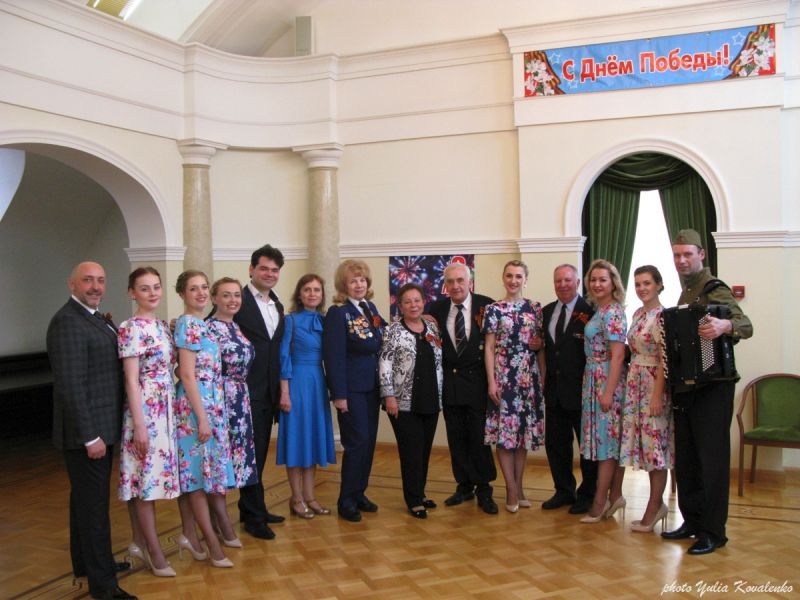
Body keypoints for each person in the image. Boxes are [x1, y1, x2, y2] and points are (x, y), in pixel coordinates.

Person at [47, 262, 137, 600]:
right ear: (72, 284)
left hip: (102, 427)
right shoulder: (67, 322)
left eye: (100, 280)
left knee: (83, 502)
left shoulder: (95, 318)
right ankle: (104, 586)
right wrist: (90, 436)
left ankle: (85, 563)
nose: (95, 286)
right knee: (95, 508)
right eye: (87, 280)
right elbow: (70, 386)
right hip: (88, 433)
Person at [662, 229, 752, 555]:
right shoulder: (686, 293)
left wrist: (725, 326)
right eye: (677, 255)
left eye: (687, 254)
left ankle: (714, 532)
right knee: (687, 459)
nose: (682, 260)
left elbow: (745, 325)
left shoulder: (715, 288)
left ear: (701, 254)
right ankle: (692, 521)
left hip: (714, 388)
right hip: (687, 389)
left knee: (711, 461)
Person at [117, 267, 179, 577]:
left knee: (144, 479)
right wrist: (140, 425)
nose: (152, 293)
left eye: (156, 286)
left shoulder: (163, 326)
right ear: (132, 293)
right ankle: (155, 552)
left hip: (165, 410)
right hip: (145, 413)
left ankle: (138, 543)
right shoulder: (130, 328)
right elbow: (131, 380)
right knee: (145, 482)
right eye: (145, 288)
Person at [174, 270, 234, 568]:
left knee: (202, 475)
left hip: (211, 404)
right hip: (195, 408)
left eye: (203, 287)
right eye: (193, 288)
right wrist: (202, 418)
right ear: (182, 294)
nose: (200, 293)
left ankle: (191, 535)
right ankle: (212, 543)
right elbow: (186, 374)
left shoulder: (201, 324)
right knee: (196, 477)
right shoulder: (187, 324)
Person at [428, 263, 498, 514]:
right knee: (456, 439)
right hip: (450, 385)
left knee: (479, 439)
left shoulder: (487, 306)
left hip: (478, 384)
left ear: (470, 282)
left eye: (460, 280)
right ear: (445, 285)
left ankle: (485, 489)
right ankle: (464, 486)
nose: (456, 286)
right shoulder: (435, 309)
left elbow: (497, 345)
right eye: (450, 281)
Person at [323, 259, 386, 522]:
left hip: (372, 388)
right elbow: (333, 356)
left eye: (362, 280)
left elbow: (384, 335)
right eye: (353, 281)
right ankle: (346, 500)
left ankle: (360, 493)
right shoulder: (338, 313)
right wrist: (339, 395)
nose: (359, 285)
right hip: (351, 391)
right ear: (344, 285)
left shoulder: (369, 308)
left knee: (368, 443)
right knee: (356, 443)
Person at [483, 260, 544, 513]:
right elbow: (489, 347)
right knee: (505, 435)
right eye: (509, 275)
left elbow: (540, 344)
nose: (513, 280)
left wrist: (542, 378)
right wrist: (491, 381)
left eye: (519, 276)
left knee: (521, 436)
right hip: (504, 376)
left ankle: (519, 487)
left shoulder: (535, 308)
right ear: (503, 278)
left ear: (525, 280)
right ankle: (509, 487)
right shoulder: (493, 309)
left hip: (528, 378)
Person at [234, 244, 286, 540]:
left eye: (274, 270)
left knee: (260, 452)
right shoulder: (237, 300)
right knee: (250, 455)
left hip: (269, 392)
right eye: (264, 268)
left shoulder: (277, 305)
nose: (269, 274)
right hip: (245, 391)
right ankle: (253, 517)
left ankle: (254, 507)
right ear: (251, 269)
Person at [380, 283, 443, 519]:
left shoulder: (432, 328)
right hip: (403, 402)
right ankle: (413, 500)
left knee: (424, 451)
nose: (413, 305)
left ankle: (420, 492)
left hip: (430, 399)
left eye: (417, 300)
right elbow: (384, 363)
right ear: (400, 305)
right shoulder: (392, 331)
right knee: (411, 452)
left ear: (423, 302)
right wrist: (389, 396)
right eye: (407, 301)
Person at [277, 274, 336, 518]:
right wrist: (285, 393)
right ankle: (296, 498)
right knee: (296, 441)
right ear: (299, 295)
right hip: (297, 384)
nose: (312, 294)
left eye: (316, 290)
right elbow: (283, 357)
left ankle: (310, 496)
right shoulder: (290, 320)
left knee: (312, 441)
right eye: (307, 289)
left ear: (322, 295)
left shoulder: (325, 320)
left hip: (317, 383)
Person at [540, 264, 598, 515]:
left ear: (577, 283)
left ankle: (588, 495)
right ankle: (563, 490)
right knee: (556, 445)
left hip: (582, 391)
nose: (562, 285)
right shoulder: (546, 312)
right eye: (558, 281)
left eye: (567, 280)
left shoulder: (592, 312)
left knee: (587, 447)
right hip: (554, 392)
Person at [619, 265, 673, 532]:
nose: (642, 288)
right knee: (645, 446)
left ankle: (655, 505)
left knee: (655, 447)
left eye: (647, 283)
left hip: (653, 383)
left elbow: (664, 360)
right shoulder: (638, 313)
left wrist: (657, 395)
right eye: (638, 284)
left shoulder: (663, 316)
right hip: (635, 381)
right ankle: (654, 504)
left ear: (659, 285)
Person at [206, 277, 258, 546]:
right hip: (219, 399)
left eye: (237, 295)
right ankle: (220, 523)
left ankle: (217, 520)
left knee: (234, 462)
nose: (233, 300)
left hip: (240, 398)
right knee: (219, 460)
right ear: (214, 298)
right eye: (226, 295)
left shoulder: (236, 326)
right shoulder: (209, 328)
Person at [579, 259, 628, 524]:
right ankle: (615, 495)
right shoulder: (601, 310)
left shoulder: (614, 312)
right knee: (607, 442)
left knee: (606, 444)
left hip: (606, 379)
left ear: (613, 283)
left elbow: (618, 355)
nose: (597, 284)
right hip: (594, 377)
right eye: (593, 279)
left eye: (602, 280)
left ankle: (600, 502)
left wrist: (608, 392)